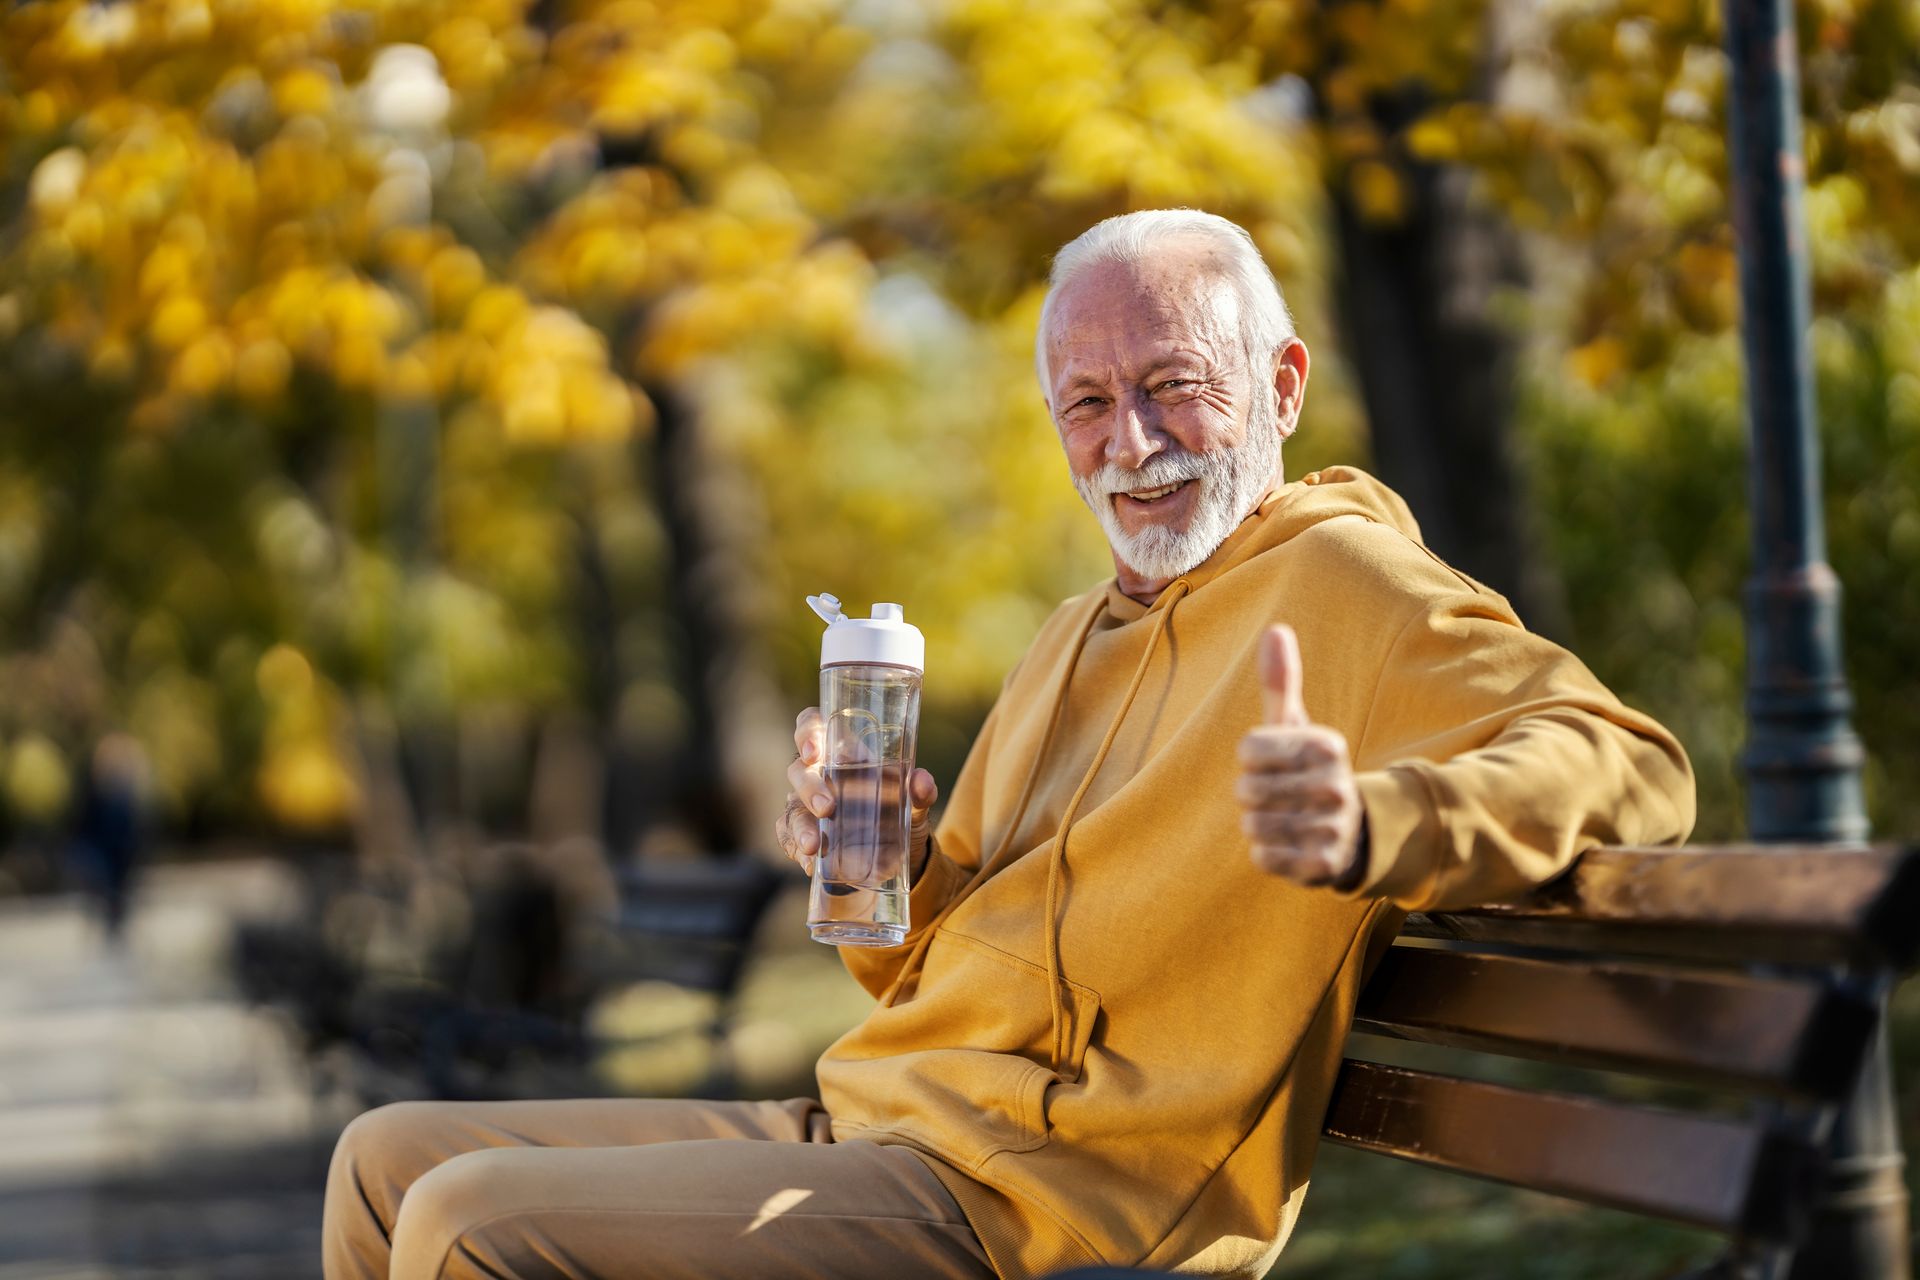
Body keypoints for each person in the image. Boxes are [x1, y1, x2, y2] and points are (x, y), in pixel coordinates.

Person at [321, 209, 1695, 1280]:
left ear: (1281, 385)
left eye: (1172, 385)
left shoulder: (1355, 591)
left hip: (1051, 1202)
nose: (1132, 442)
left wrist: (1377, 822)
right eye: (1087, 404)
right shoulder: (1070, 635)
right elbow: (909, 966)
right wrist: (890, 861)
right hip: (885, 1128)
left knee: (474, 1226)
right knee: (385, 1162)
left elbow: (1631, 764)